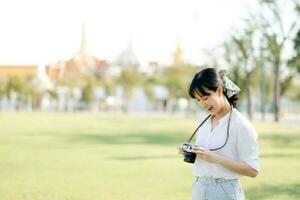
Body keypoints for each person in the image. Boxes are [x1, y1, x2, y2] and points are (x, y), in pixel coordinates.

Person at [178, 68, 259, 200]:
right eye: (198, 100)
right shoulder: (203, 122)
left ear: (220, 91)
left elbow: (253, 170)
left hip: (225, 192)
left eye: (205, 97)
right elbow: (208, 157)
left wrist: (216, 159)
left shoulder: (241, 125)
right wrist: (192, 151)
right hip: (199, 189)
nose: (203, 104)